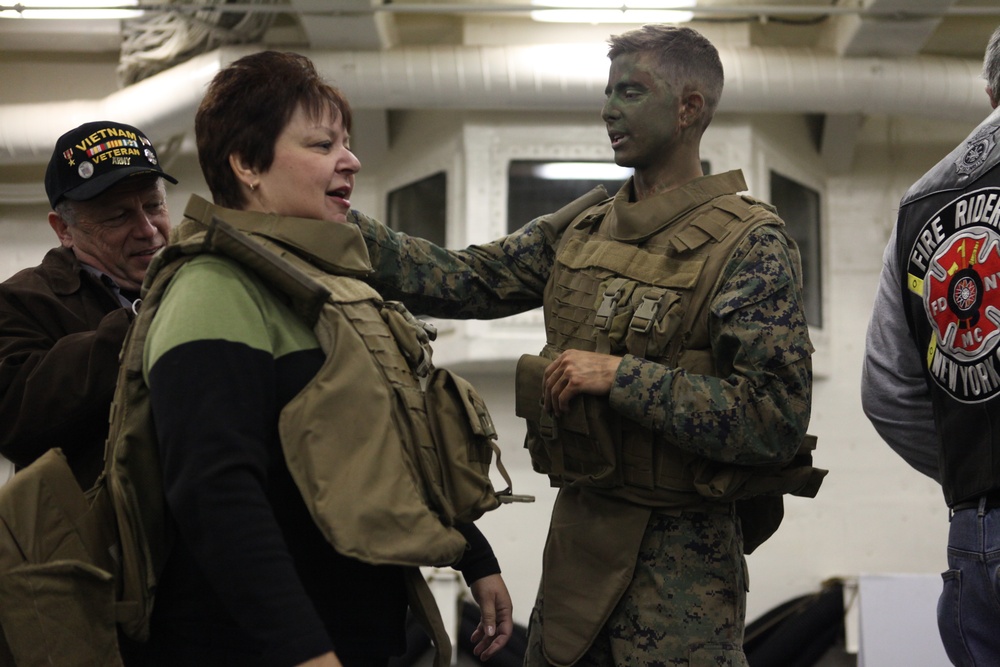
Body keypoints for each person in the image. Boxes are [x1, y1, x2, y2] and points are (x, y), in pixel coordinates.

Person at [352, 24, 814, 666]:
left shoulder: (749, 245)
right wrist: (335, 224)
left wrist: (623, 377)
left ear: (689, 109)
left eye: (631, 91)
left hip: (681, 584)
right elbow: (468, 279)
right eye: (608, 91)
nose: (609, 109)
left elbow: (776, 420)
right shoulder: (584, 229)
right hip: (576, 562)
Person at [132, 50, 513, 667]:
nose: (351, 161)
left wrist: (475, 557)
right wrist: (304, 652)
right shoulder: (213, 289)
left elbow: (381, 449)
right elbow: (214, 495)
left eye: (347, 143)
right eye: (321, 145)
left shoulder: (325, 289)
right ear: (247, 165)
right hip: (256, 647)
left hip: (356, 632)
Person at [862, 24, 1000, 667]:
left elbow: (887, 392)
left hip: (976, 535)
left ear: (990, 86)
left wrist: (977, 477)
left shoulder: (922, 200)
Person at [0, 120, 175, 488]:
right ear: (63, 230)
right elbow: (15, 419)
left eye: (153, 205)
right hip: (101, 541)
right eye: (118, 215)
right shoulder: (20, 301)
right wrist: (142, 322)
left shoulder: (200, 276)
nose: (147, 228)